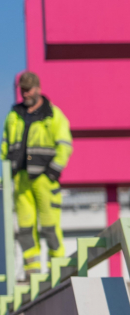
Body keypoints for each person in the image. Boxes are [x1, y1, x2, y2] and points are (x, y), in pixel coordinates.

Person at [1, 71, 73, 275]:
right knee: (25, 228)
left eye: (29, 89)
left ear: (38, 88)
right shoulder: (13, 115)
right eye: (22, 89)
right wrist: (5, 177)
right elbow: (5, 148)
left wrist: (53, 172)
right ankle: (32, 272)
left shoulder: (52, 114)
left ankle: (57, 270)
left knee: (49, 226)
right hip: (21, 179)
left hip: (44, 178)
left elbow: (65, 145)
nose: (25, 93)